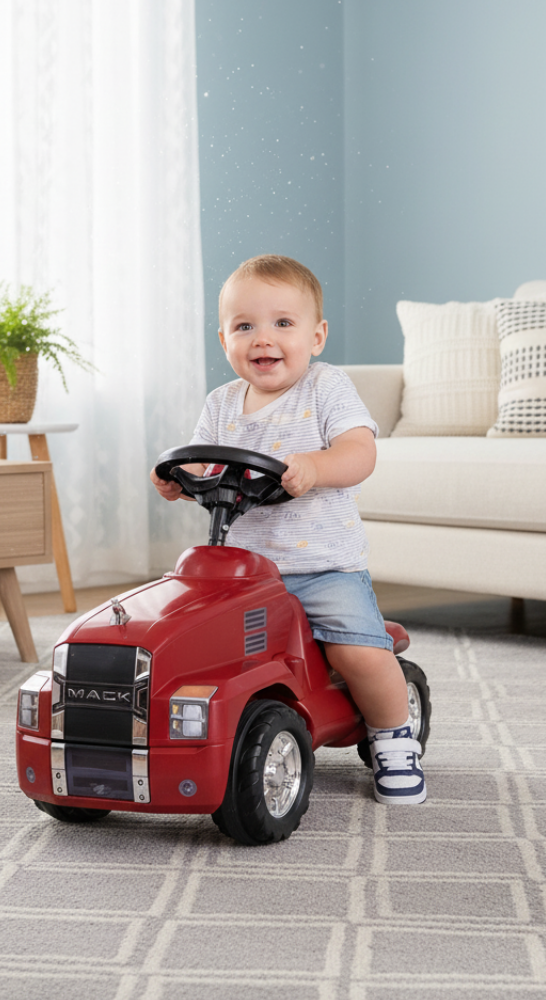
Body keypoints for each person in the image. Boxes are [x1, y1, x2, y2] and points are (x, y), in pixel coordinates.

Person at [150, 254, 425, 805]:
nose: (262, 338)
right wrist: (180, 479)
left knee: (358, 652)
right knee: (193, 640)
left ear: (316, 335)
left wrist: (319, 466)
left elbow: (360, 451)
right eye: (244, 326)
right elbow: (205, 463)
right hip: (243, 574)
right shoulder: (221, 403)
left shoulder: (326, 389)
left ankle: (395, 737)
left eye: (282, 323)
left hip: (322, 569)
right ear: (224, 338)